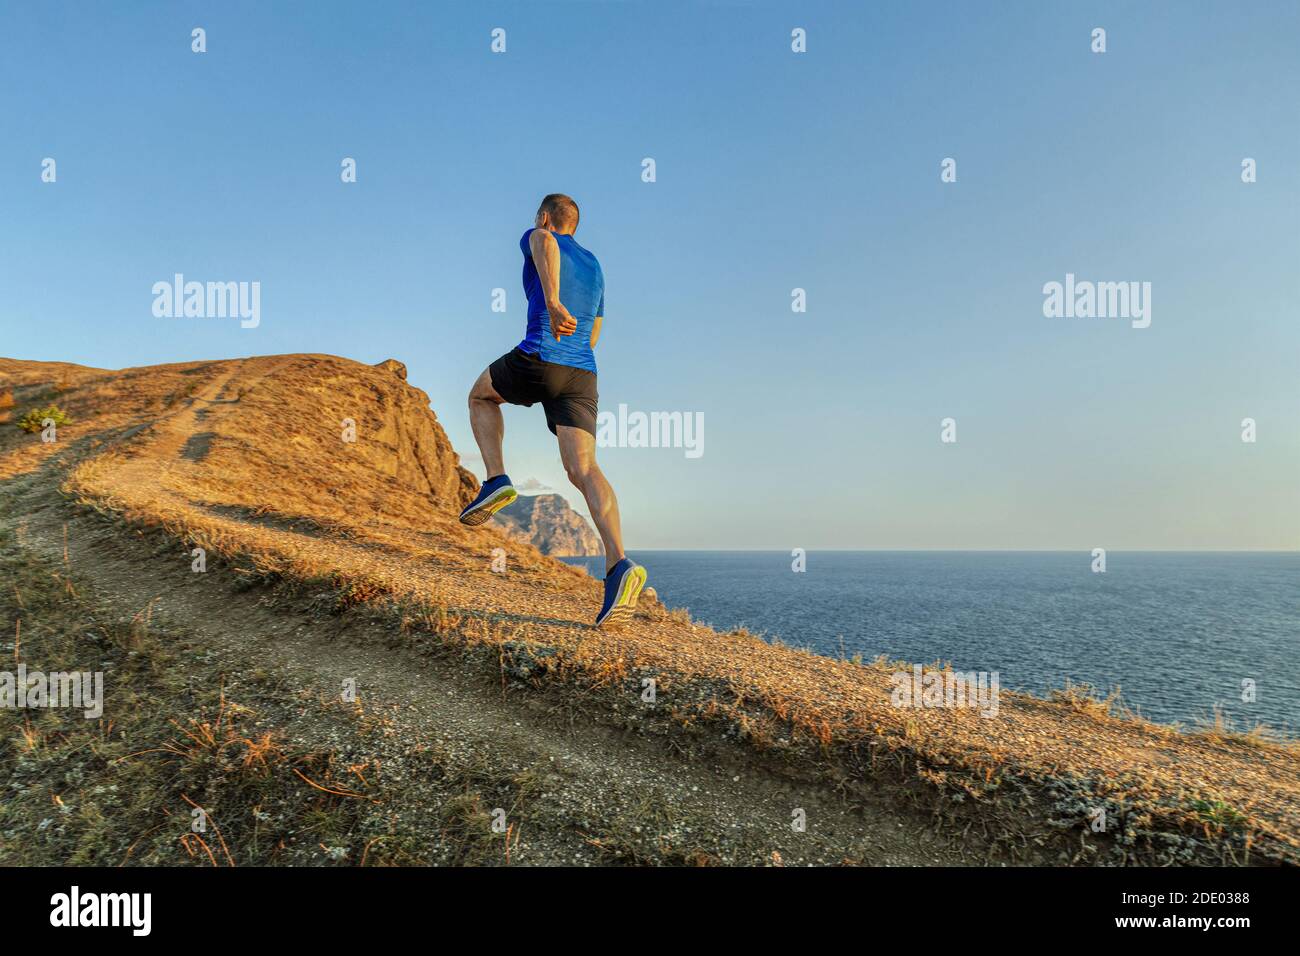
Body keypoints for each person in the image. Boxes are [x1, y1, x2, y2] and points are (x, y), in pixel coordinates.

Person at [460, 193, 646, 626]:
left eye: (540, 221)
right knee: (585, 470)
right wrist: (570, 359)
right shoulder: (596, 265)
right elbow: (595, 330)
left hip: (542, 352)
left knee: (479, 396)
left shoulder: (540, 234)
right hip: (583, 372)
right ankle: (619, 564)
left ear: (545, 216)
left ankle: (495, 480)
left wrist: (554, 302)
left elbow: (543, 242)